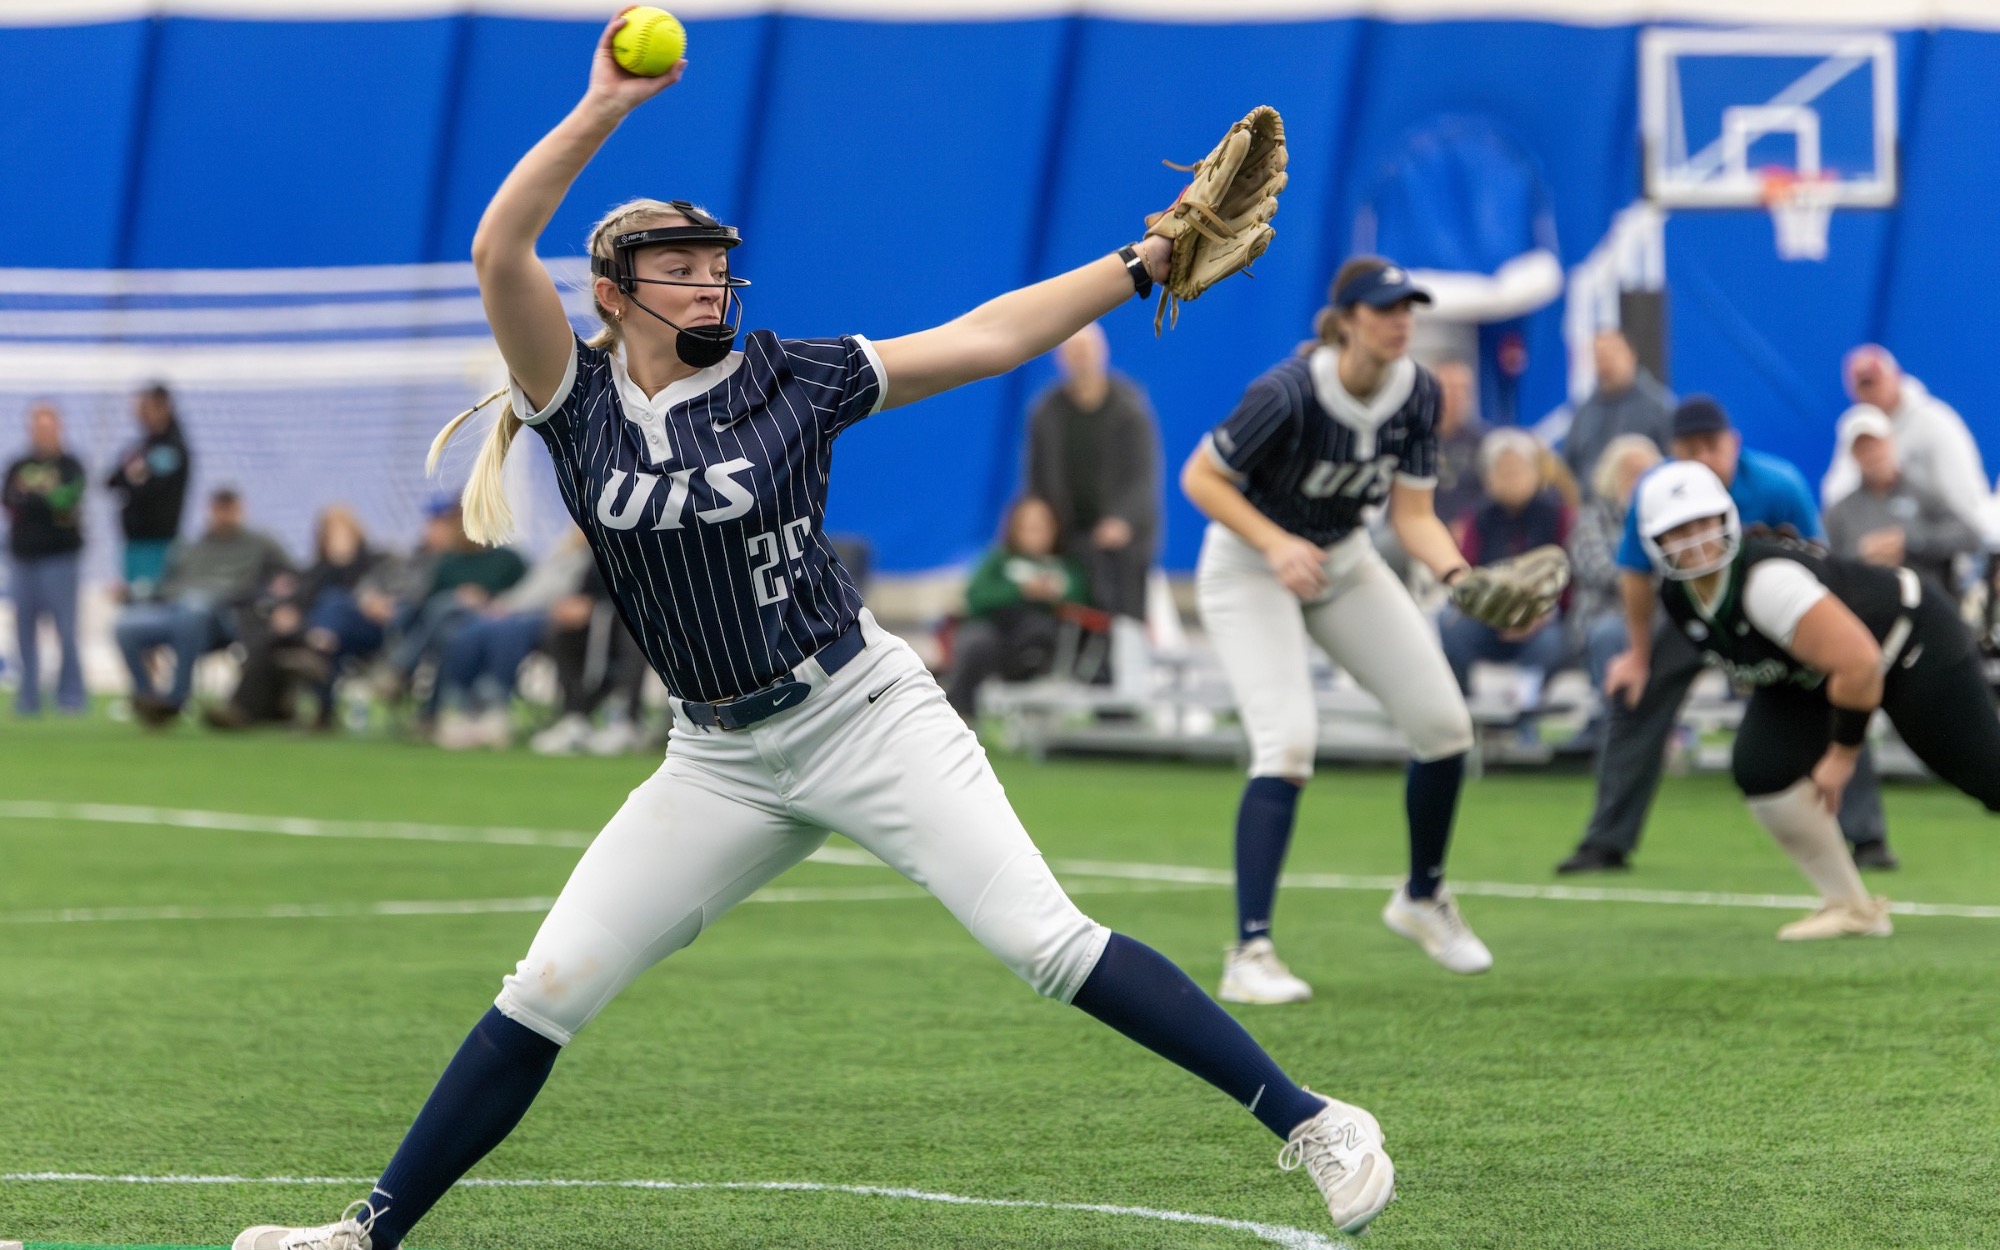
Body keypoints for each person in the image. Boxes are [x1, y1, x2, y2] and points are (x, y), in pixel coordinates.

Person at [231, 26, 1393, 1250]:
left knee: (1045, 943)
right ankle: (364, 1232)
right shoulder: (571, 400)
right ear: (612, 294)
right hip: (715, 757)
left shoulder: (795, 374)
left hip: (862, 711)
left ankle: (1312, 1116)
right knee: (545, 988)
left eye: (715, 263)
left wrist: (1144, 258)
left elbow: (989, 335)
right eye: (677, 266)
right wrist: (602, 108)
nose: (710, 281)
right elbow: (495, 245)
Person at [1183, 255, 1491, 1015]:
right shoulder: (1287, 392)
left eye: (1408, 308)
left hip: (1342, 561)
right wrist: (1277, 543)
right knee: (1287, 743)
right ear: (1347, 317)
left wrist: (1461, 580)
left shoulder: (1418, 390)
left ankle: (1421, 897)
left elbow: (1414, 517)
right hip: (1251, 564)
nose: (1400, 320)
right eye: (1385, 308)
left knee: (1446, 728)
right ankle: (1249, 953)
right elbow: (1200, 479)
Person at [1632, 460, 2000, 936]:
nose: (1696, 540)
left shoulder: (1767, 583)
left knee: (1988, 774)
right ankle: (1851, 908)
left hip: (1908, 642)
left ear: (1726, 517)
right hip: (1816, 670)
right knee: (1761, 767)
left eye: (1703, 522)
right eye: (1677, 530)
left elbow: (1860, 663)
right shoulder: (1679, 596)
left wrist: (1841, 757)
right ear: (1653, 542)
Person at [1556, 397, 1896, 872]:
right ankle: (1606, 841)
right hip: (1692, 611)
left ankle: (1867, 838)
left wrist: (1816, 644)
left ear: (1733, 443)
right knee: (1635, 698)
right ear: (1673, 450)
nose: (1703, 458)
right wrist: (1637, 655)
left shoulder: (1778, 483)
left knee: (1833, 693)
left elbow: (1823, 564)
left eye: (1711, 446)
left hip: (1772, 615)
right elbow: (1635, 573)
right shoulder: (1656, 492)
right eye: (1689, 448)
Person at [114, 487, 291, 726]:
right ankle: (148, 697)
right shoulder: (192, 547)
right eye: (219, 509)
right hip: (177, 609)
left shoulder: (260, 544)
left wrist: (282, 594)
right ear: (211, 511)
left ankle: (177, 699)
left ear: (240, 511)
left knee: (193, 609)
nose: (224, 516)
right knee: (126, 625)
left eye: (230, 509)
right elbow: (165, 586)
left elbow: (293, 575)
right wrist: (134, 592)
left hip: (228, 616)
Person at [1022, 322, 1160, 622]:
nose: (1080, 358)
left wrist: (1122, 520)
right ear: (1059, 359)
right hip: (1066, 534)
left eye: (1086, 350)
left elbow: (1141, 477)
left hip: (1120, 543)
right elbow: (1035, 479)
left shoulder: (1130, 410)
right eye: (1073, 351)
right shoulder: (1045, 412)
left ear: (1102, 353)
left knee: (1116, 603)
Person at [204, 505, 382, 730]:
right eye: (331, 533)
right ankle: (242, 708)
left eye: (342, 532)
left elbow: (374, 600)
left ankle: (315, 650)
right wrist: (287, 612)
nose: (337, 539)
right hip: (309, 632)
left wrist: (343, 564)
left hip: (355, 631)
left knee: (334, 602)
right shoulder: (316, 570)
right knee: (269, 639)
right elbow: (300, 598)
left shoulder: (372, 564)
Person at [1437, 427, 1572, 705]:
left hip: (1543, 619)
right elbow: (1465, 575)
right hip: (1490, 615)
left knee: (1554, 638)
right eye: (1502, 470)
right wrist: (1489, 608)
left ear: (1536, 473)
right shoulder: (1477, 518)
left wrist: (1538, 615)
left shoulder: (1559, 515)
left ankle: (1530, 707)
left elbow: (1572, 581)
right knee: (1448, 622)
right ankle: (1459, 700)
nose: (1511, 478)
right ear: (1488, 477)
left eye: (1518, 469)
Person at [432, 530, 596, 750]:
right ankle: (464, 706)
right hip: (518, 609)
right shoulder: (560, 557)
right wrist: (503, 606)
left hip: (549, 616)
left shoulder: (596, 560)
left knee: (507, 631)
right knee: (471, 631)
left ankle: (495, 704)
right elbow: (527, 592)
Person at [944, 495, 1090, 721]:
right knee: (976, 641)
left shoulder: (1066, 568)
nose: (1035, 534)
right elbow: (976, 597)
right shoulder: (998, 561)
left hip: (1041, 641)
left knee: (1046, 634)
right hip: (996, 635)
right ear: (1014, 529)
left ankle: (1034, 713)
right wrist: (1020, 591)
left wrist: (1051, 595)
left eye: (1042, 527)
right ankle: (960, 713)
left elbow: (1080, 602)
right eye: (1028, 527)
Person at [1822, 345, 1988, 538]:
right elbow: (1836, 493)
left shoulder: (1936, 423)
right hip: (1871, 549)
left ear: (1895, 377)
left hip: (1930, 545)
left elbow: (1965, 499)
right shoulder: (1856, 430)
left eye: (1874, 381)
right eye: (1862, 385)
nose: (1870, 391)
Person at [1824, 407, 1981, 594]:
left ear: (1890, 442)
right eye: (1863, 449)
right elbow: (1828, 566)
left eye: (1876, 444)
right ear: (1853, 456)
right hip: (1870, 608)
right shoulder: (1839, 513)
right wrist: (1862, 556)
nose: (1872, 455)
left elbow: (1970, 536)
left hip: (1930, 603)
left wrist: (1910, 543)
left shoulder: (1924, 492)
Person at [1566, 435, 1662, 731]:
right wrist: (1642, 578)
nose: (1639, 479)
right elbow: (1598, 569)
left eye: (1646, 471)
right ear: (1611, 474)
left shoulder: (1664, 516)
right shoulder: (1591, 517)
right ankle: (1615, 724)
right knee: (1609, 633)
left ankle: (1661, 724)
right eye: (1630, 471)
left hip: (1657, 614)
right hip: (1603, 614)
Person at [3, 402, 87, 716]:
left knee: (65, 628)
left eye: (48, 426)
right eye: (38, 426)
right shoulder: (17, 465)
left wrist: (35, 497)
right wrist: (43, 498)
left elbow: (66, 499)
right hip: (23, 557)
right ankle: (28, 698)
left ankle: (71, 697)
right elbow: (10, 500)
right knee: (23, 630)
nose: (43, 432)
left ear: (58, 428)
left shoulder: (70, 466)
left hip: (60, 558)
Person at [1561, 329, 1673, 499]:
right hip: (1591, 512)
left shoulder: (1659, 407)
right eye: (1599, 358)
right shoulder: (1583, 413)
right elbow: (1568, 469)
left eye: (1611, 355)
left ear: (1631, 355)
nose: (1605, 365)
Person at [103, 383, 192, 599]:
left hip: (159, 545)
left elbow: (152, 490)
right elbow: (112, 480)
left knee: (154, 604)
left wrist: (135, 480)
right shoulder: (141, 446)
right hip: (135, 543)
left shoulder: (172, 448)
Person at [1428, 358, 1486, 528]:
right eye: (1449, 388)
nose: (1457, 396)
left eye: (1463, 389)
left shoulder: (1484, 442)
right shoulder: (1412, 438)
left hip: (1472, 530)